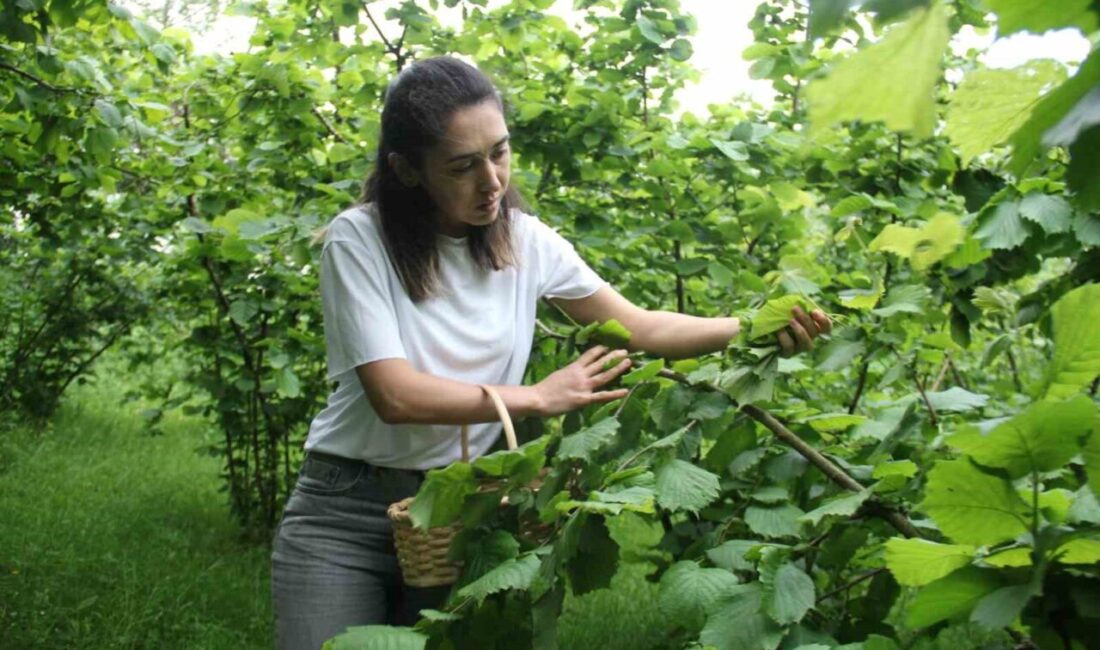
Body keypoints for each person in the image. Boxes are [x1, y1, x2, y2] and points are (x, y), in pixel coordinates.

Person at [270, 55, 831, 649]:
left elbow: (639, 326)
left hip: (461, 512)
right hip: (344, 511)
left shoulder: (523, 241)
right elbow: (395, 396)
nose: (492, 181)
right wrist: (537, 397)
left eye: (500, 152)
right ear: (407, 170)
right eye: (462, 166)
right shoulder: (361, 239)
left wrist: (752, 327)